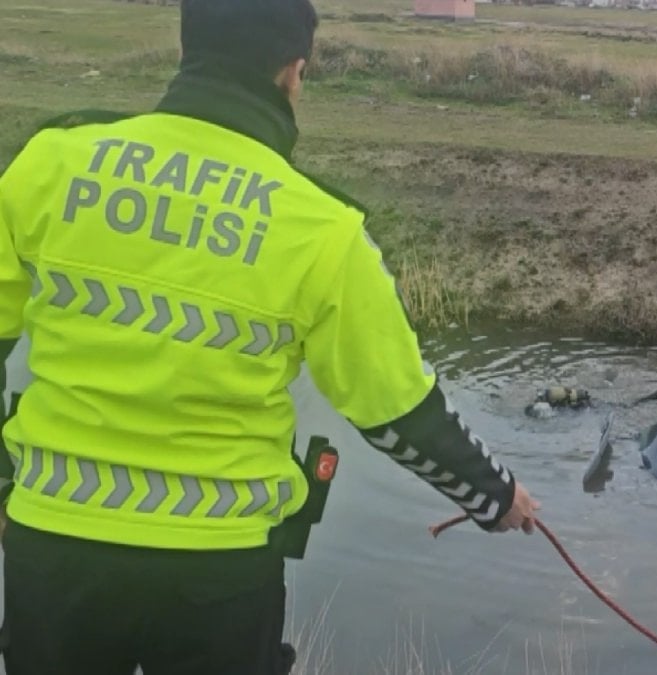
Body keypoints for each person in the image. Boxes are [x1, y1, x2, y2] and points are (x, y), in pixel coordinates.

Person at [0, 1, 539, 673]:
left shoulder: (52, 161)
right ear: (292, 73)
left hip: (52, 548)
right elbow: (396, 407)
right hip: (217, 571)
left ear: (186, 50)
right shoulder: (322, 228)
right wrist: (493, 495)